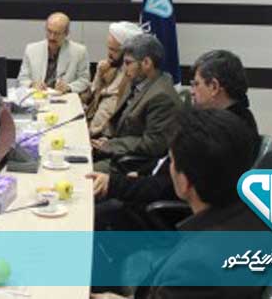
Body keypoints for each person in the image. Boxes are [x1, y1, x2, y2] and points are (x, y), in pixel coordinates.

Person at [92, 109, 266, 299]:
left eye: (172, 162)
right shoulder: (256, 217)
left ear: (185, 183)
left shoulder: (193, 268)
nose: (169, 168)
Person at [88, 49, 259, 230]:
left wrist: (115, 184)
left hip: (166, 213)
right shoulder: (227, 120)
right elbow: (166, 162)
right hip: (153, 190)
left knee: (93, 218)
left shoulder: (220, 132)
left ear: (214, 87)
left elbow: (172, 186)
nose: (192, 91)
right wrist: (139, 173)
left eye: (196, 84)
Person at [91, 34, 181, 172]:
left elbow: (153, 144)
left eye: (128, 63)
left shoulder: (162, 97)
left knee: (81, 173)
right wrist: (105, 139)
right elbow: (119, 120)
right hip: (118, 149)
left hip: (134, 164)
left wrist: (111, 145)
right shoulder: (136, 81)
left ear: (146, 63)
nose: (124, 68)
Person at [82, 22, 143, 137]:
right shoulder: (107, 66)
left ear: (127, 53)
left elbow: (117, 117)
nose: (109, 54)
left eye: (114, 50)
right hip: (89, 126)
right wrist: (100, 76)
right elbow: (90, 98)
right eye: (108, 48)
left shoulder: (131, 78)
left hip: (104, 136)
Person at [17, 12, 90, 94]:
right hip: (38, 97)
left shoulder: (79, 52)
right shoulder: (31, 50)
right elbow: (22, 79)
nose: (52, 37)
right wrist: (32, 84)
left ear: (66, 33)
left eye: (57, 33)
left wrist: (68, 87)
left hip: (64, 97)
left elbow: (84, 80)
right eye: (49, 31)